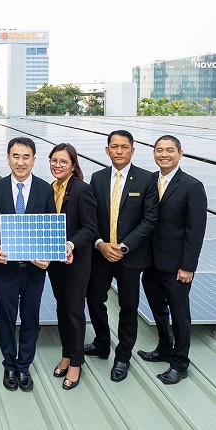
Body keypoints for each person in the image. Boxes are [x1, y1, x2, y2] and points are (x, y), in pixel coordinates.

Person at [85, 130, 158, 382]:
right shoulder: (97, 178)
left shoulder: (147, 179)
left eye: (124, 147)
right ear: (107, 150)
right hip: (101, 254)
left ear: (132, 150)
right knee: (94, 299)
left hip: (131, 257)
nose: (119, 151)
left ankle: (123, 357)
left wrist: (123, 247)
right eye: (114, 146)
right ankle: (101, 343)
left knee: (128, 307)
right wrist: (99, 244)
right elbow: (90, 217)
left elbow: (149, 220)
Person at [0, 137, 55, 392]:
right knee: (5, 319)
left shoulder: (45, 189)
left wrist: (47, 255)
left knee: (30, 318)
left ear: (34, 160)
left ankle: (24, 366)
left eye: (26, 157)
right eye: (16, 156)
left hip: (34, 270)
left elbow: (50, 226)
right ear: (8, 159)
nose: (21, 162)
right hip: (5, 268)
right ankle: (9, 365)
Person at [138, 135, 207, 384]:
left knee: (179, 315)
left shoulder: (192, 186)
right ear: (154, 153)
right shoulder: (148, 181)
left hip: (176, 265)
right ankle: (164, 348)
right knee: (158, 309)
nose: (164, 154)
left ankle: (180, 364)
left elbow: (195, 230)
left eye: (169, 150)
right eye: (159, 150)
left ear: (180, 153)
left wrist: (188, 266)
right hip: (150, 262)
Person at [45, 144, 97, 390]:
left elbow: (90, 228)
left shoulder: (82, 190)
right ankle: (66, 353)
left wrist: (70, 245)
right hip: (56, 262)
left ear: (73, 165)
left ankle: (76, 362)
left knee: (75, 310)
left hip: (76, 261)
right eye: (54, 161)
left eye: (63, 162)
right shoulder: (51, 188)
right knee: (62, 307)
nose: (57, 165)